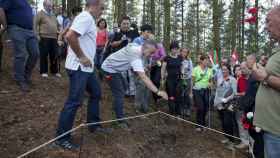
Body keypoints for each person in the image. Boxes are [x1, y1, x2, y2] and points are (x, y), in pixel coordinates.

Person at [55, 0, 105, 150]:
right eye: (102, 8)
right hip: (79, 68)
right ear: (93, 5)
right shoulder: (86, 17)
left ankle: (93, 124)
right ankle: (61, 138)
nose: (102, 11)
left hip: (87, 69)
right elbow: (70, 36)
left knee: (96, 93)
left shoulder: (87, 19)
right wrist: (82, 56)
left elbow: (70, 35)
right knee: (74, 101)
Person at [102, 41, 168, 127]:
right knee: (119, 93)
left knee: (124, 86)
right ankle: (120, 120)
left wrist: (139, 69)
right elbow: (144, 78)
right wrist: (158, 92)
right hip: (109, 69)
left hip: (115, 69)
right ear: (145, 48)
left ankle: (116, 106)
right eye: (151, 52)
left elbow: (130, 55)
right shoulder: (136, 56)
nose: (152, 55)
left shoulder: (137, 47)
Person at [253, 6, 280, 158]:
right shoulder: (277, 50)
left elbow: (268, 78)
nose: (266, 27)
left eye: (269, 21)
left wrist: (265, 77)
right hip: (272, 130)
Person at [0, 0, 39, 92]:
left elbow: (30, 17)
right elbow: (1, 9)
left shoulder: (26, 2)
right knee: (21, 54)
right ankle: (20, 79)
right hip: (16, 28)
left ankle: (26, 75)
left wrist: (34, 30)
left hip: (29, 31)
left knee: (35, 53)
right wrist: (5, 25)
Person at [242, 54, 264, 158]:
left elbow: (256, 93)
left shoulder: (258, 72)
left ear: (253, 60)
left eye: (247, 60)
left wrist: (252, 109)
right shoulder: (253, 73)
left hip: (256, 111)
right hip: (250, 109)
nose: (246, 63)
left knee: (258, 137)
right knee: (252, 133)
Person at [34, 0, 61, 78]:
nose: (50, 7)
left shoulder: (53, 15)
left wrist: (59, 31)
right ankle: (44, 71)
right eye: (49, 6)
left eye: (51, 6)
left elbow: (58, 25)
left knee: (54, 55)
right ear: (44, 6)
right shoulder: (40, 14)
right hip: (44, 37)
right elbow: (35, 25)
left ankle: (54, 71)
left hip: (54, 38)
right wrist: (37, 35)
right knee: (44, 55)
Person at [111, 16, 136, 97]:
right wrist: (121, 40)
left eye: (127, 24)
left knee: (131, 75)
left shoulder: (134, 33)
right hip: (120, 58)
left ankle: (132, 92)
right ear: (120, 24)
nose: (126, 25)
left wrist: (131, 43)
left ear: (130, 24)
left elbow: (139, 44)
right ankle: (126, 91)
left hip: (132, 57)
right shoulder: (117, 33)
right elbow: (112, 44)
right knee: (123, 76)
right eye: (124, 24)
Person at [214, 64, 237, 150]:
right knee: (223, 122)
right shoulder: (219, 79)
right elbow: (217, 90)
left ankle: (232, 141)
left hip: (229, 104)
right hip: (219, 104)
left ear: (229, 70)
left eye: (225, 69)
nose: (223, 71)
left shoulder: (233, 80)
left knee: (228, 123)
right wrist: (215, 101)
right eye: (222, 70)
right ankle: (227, 137)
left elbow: (234, 93)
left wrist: (226, 99)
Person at [133, 24, 154, 113]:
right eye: (147, 32)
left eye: (150, 32)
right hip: (139, 67)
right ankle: (137, 107)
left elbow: (151, 55)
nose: (149, 34)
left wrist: (150, 64)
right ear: (142, 32)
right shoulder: (137, 40)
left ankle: (145, 108)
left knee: (147, 87)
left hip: (147, 68)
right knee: (140, 86)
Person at [192, 54, 213, 132]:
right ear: (201, 60)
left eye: (208, 60)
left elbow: (211, 81)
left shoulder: (210, 70)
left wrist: (211, 84)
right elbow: (193, 81)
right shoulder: (195, 69)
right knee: (200, 107)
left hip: (206, 90)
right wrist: (191, 92)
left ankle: (203, 124)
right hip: (197, 90)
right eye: (205, 60)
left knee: (205, 108)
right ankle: (198, 125)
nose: (207, 62)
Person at [161, 41, 183, 115]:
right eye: (173, 49)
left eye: (176, 49)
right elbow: (163, 69)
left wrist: (183, 73)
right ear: (171, 49)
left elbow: (182, 66)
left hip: (179, 79)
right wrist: (162, 78)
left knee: (178, 96)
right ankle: (172, 112)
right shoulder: (166, 58)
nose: (175, 50)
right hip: (170, 80)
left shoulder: (180, 57)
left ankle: (178, 112)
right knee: (171, 96)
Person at [233, 62, 250, 149]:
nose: (241, 70)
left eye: (243, 68)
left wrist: (243, 93)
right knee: (241, 123)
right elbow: (238, 92)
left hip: (251, 107)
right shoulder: (240, 79)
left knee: (250, 125)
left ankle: (252, 145)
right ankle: (244, 141)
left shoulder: (253, 78)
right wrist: (239, 94)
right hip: (241, 105)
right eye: (240, 68)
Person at [178, 48, 193, 118]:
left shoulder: (189, 61)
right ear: (180, 52)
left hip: (187, 79)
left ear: (187, 53)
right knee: (181, 94)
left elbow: (191, 71)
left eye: (186, 52)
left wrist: (187, 76)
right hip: (180, 79)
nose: (184, 53)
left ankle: (188, 109)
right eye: (183, 52)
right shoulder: (178, 59)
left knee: (187, 95)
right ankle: (181, 108)